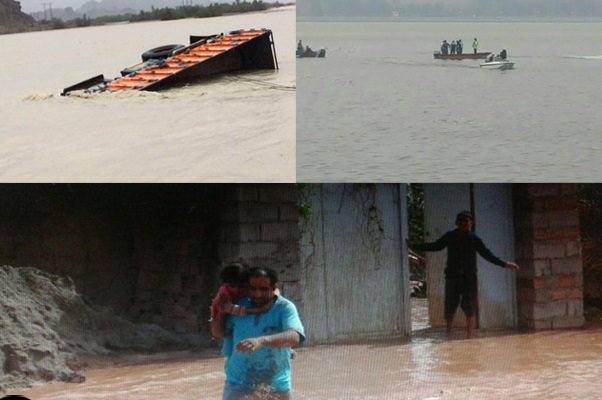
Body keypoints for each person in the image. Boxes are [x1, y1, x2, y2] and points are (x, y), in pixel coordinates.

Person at [407, 211, 519, 339]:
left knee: (469, 305)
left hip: (469, 278)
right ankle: (448, 333)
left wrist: (504, 264)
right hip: (452, 276)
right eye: (461, 222)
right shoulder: (450, 236)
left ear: (471, 223)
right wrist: (414, 246)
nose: (464, 225)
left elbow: (487, 255)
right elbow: (435, 246)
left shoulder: (474, 239)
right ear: (457, 224)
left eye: (466, 222)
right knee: (450, 305)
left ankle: (470, 336)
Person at [211, 267, 305, 400]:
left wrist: (261, 341)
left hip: (275, 385)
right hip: (238, 383)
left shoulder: (284, 307)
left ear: (273, 288)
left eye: (263, 289)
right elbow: (217, 332)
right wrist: (221, 311)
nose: (257, 294)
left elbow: (295, 336)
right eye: (253, 289)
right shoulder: (238, 306)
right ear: (247, 288)